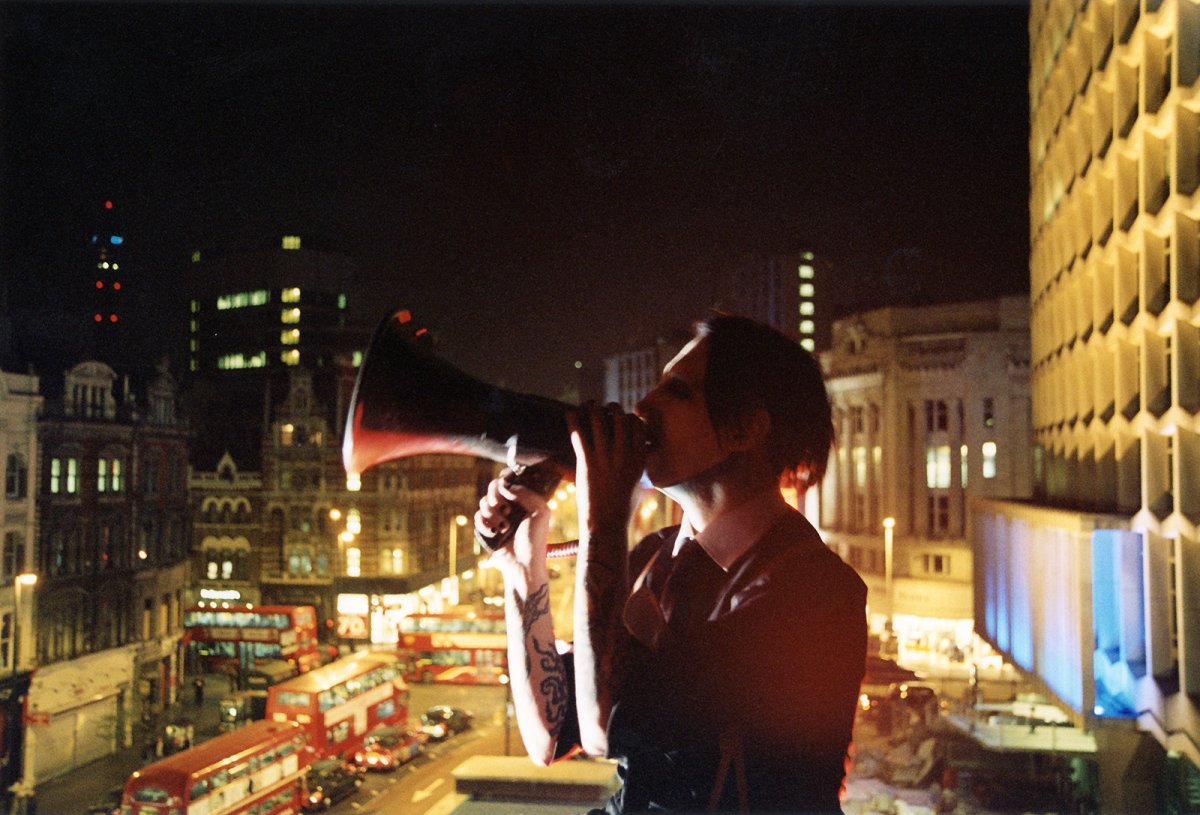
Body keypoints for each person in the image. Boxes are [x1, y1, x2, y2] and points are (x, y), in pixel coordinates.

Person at [476, 313, 868, 813]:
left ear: (745, 429)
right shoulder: (655, 556)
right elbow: (550, 735)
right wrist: (520, 567)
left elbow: (602, 728)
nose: (643, 406)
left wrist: (606, 523)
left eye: (677, 393)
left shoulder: (812, 592)